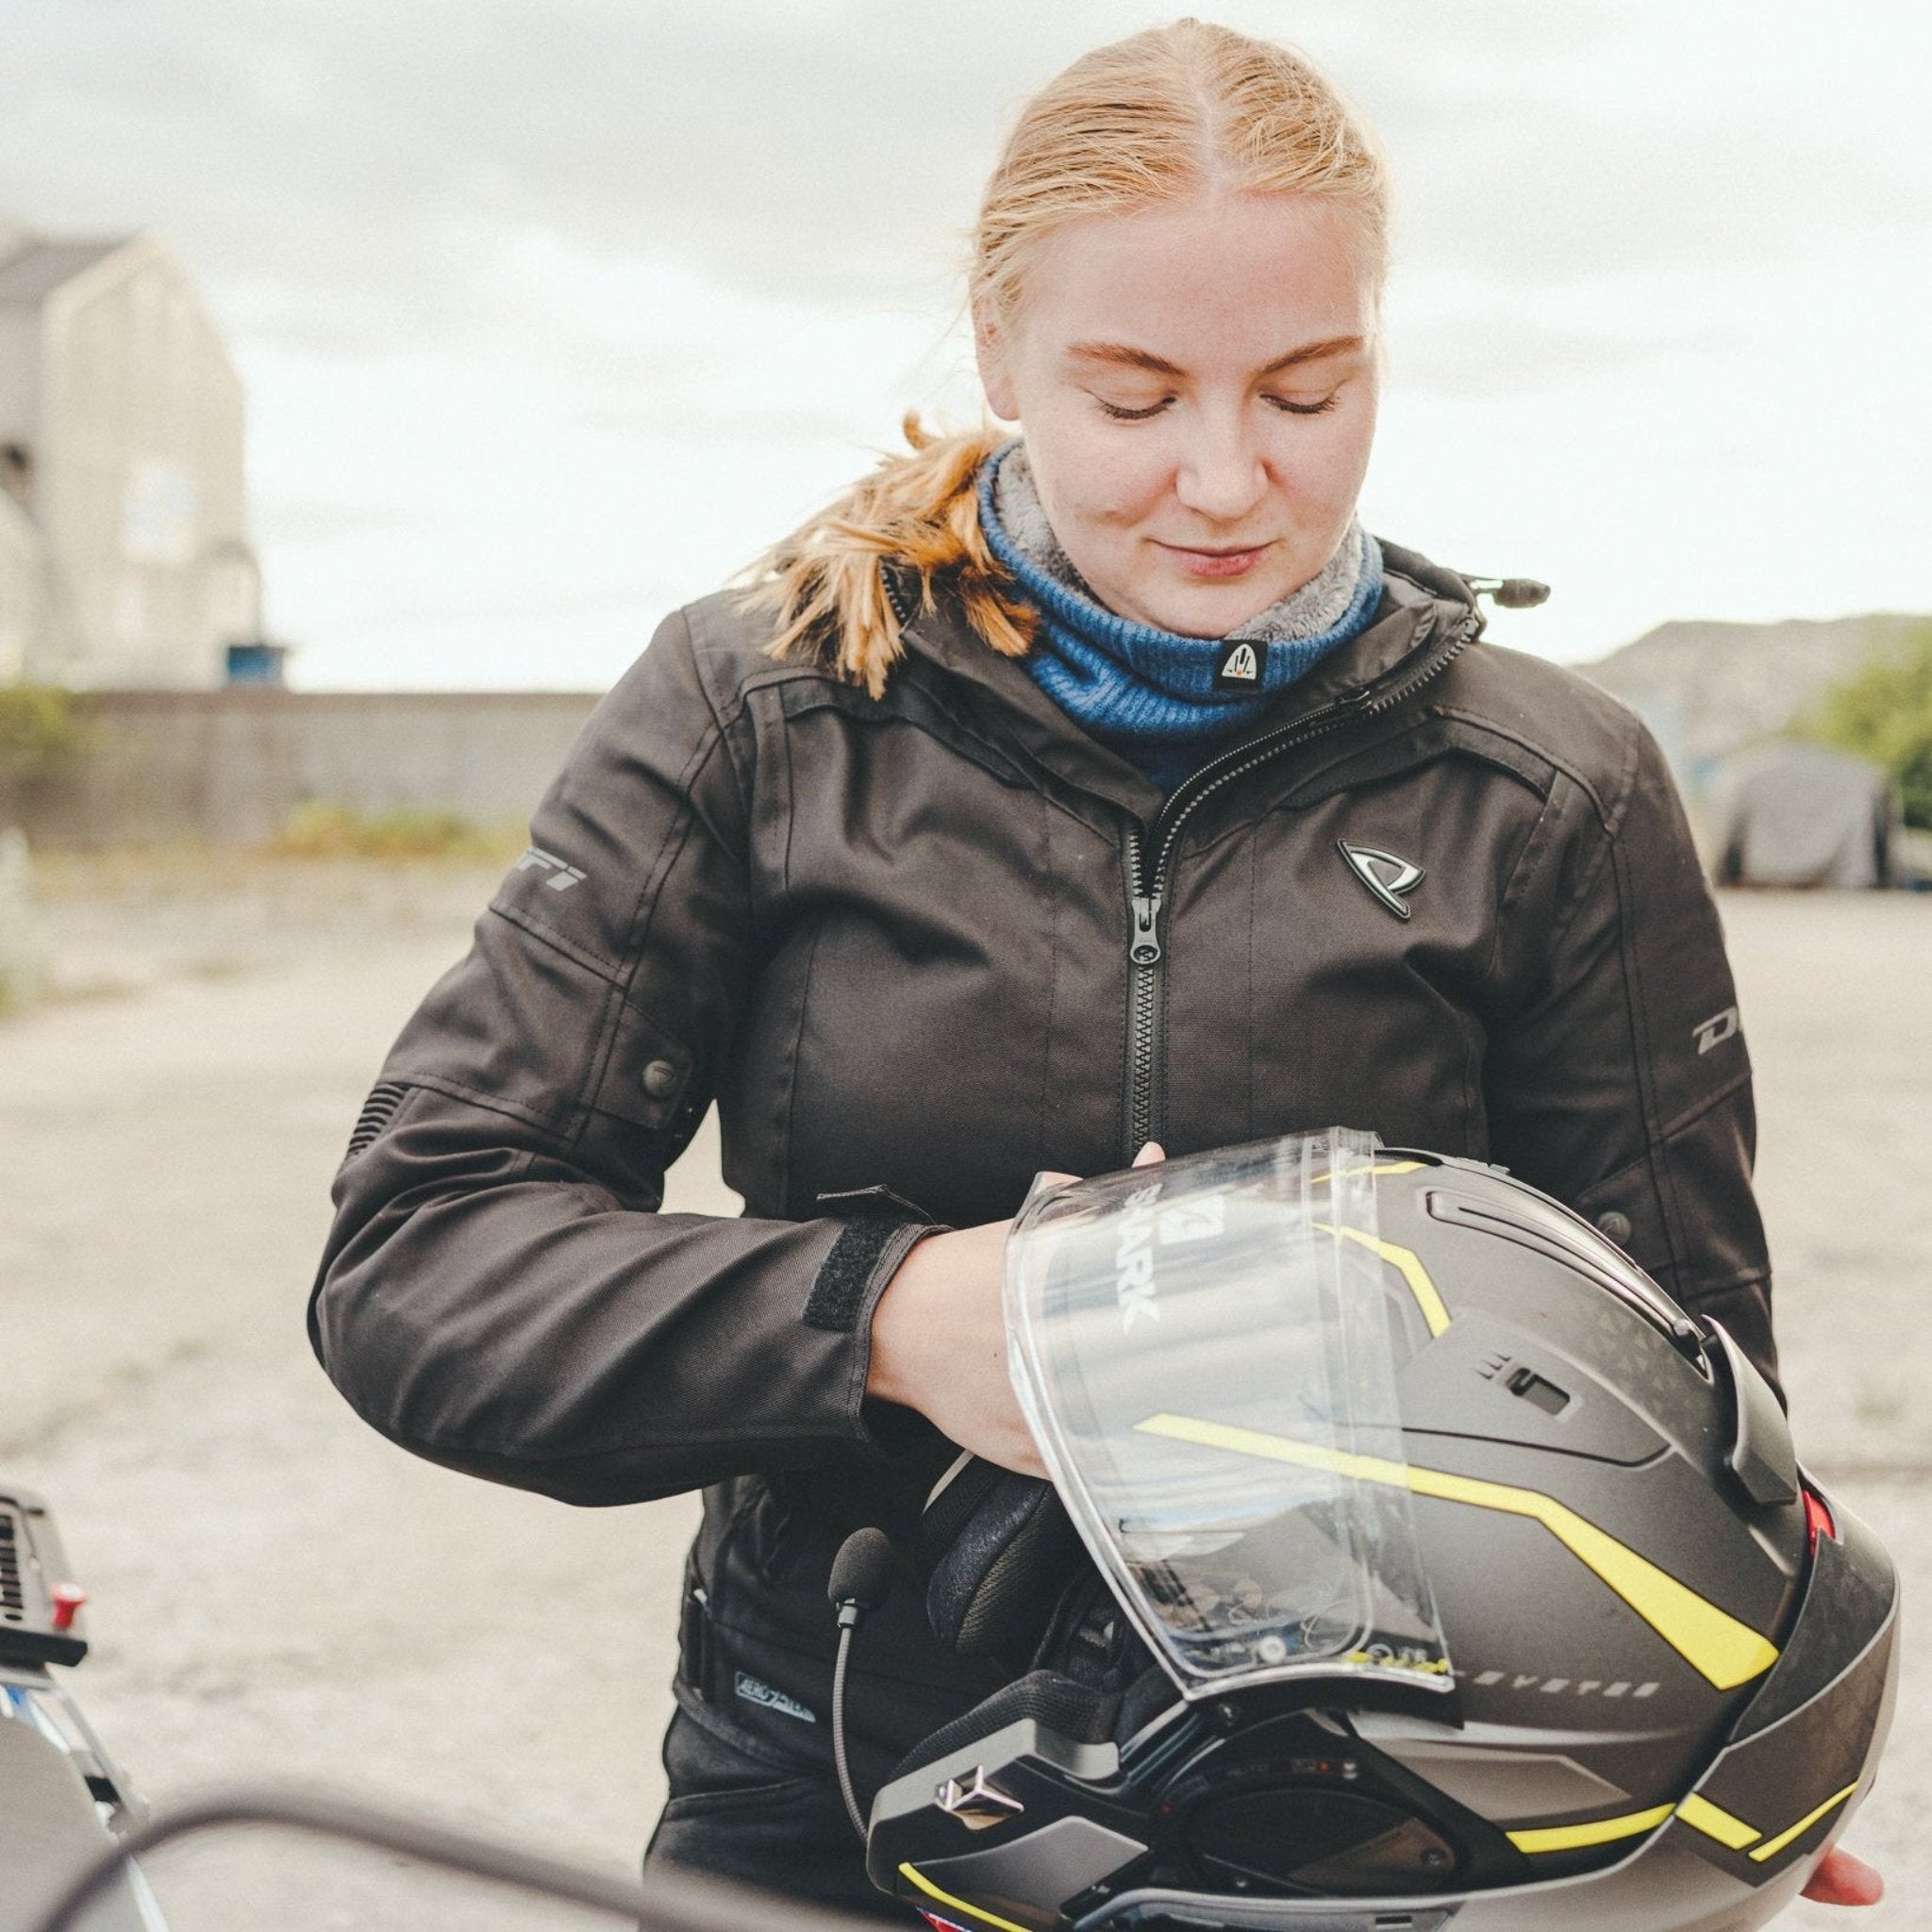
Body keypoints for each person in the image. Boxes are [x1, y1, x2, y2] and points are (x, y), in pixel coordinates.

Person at [308, 19, 1881, 1917]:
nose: (1224, 480)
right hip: (830, 1770)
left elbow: (1690, 1383)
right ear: (997, 350)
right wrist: (903, 1317)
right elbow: (420, 1261)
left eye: (1306, 390)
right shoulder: (760, 718)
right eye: (1133, 396)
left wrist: (1727, 1749)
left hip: (1365, 1830)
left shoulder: (1552, 786)